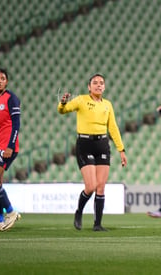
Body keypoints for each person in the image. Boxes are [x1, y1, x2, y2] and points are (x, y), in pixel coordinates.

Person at [57, 73, 127, 231]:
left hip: (102, 144)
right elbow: (64, 110)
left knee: (101, 186)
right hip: (85, 143)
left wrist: (121, 150)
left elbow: (113, 127)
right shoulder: (81, 100)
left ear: (105, 86)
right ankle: (79, 211)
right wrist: (62, 103)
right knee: (91, 186)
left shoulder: (107, 104)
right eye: (95, 83)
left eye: (101, 83)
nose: (99, 85)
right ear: (89, 87)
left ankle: (97, 224)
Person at [0, 68, 21, 232]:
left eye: (3, 78)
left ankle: (10, 212)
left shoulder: (11, 98)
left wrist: (10, 145)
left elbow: (16, 124)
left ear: (7, 82)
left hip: (6, 147)